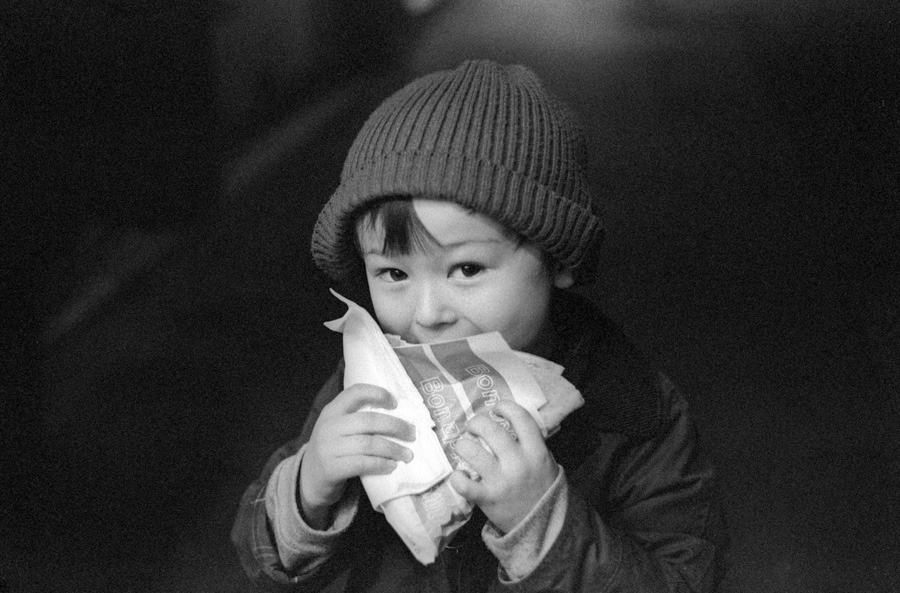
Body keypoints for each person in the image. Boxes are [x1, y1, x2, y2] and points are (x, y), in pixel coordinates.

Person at [232, 59, 729, 592]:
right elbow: (264, 558)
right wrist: (308, 491)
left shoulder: (634, 415)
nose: (427, 313)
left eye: (466, 269)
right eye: (394, 272)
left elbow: (686, 578)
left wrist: (542, 523)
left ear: (558, 260)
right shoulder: (376, 384)